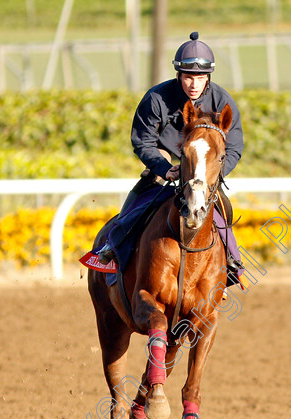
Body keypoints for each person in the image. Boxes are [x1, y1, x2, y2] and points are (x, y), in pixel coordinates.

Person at [97, 32, 244, 282]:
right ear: (179, 75)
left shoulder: (222, 100)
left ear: (208, 76)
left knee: (219, 206)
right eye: (188, 77)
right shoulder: (156, 98)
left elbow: (234, 147)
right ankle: (114, 243)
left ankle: (232, 262)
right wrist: (164, 168)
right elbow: (142, 140)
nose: (194, 84)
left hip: (203, 164)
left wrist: (210, 173)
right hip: (166, 158)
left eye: (200, 77)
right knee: (145, 191)